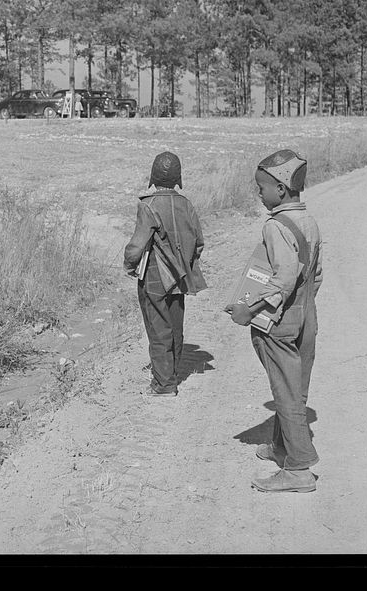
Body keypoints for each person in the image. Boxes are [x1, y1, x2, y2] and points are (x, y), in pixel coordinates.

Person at [226, 149, 323, 494]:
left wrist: (248, 309)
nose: (258, 193)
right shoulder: (308, 221)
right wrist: (302, 308)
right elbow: (316, 275)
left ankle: (299, 470)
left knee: (286, 393)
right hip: (306, 315)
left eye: (262, 187)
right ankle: (281, 448)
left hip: (280, 321)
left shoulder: (275, 226)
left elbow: (282, 279)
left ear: (281, 189)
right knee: (295, 388)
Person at [123, 152, 206, 397]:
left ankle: (164, 384)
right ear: (178, 178)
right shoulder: (186, 204)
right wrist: (183, 263)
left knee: (158, 328)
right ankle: (172, 373)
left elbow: (136, 247)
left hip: (155, 276)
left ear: (153, 176)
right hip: (180, 276)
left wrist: (129, 265)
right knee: (175, 325)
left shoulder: (148, 205)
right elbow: (199, 242)